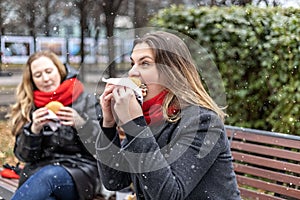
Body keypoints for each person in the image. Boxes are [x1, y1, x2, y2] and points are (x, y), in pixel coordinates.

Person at [96, 31, 241, 199]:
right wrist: (108, 123)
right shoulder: (149, 118)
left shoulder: (203, 122)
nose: (132, 73)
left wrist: (134, 123)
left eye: (144, 64)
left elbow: (170, 195)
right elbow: (114, 181)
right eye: (132, 63)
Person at [8, 50, 102, 200]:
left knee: (50, 175)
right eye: (38, 75)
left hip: (80, 172)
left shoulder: (84, 100)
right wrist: (33, 130)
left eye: (49, 71)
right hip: (38, 175)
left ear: (60, 70)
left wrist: (81, 124)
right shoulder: (30, 105)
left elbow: (102, 146)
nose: (45, 78)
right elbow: (24, 156)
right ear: (32, 80)